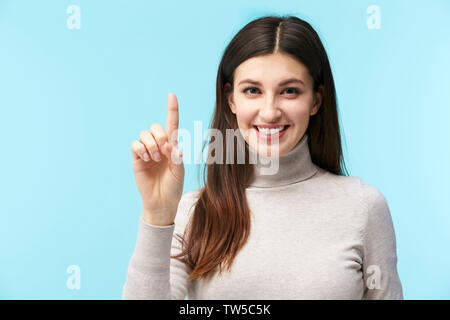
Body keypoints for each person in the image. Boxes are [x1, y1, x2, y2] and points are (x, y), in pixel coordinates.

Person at [122, 15, 404, 299]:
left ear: (316, 100)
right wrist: (156, 216)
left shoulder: (363, 207)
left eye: (289, 91)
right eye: (252, 91)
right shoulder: (194, 213)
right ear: (232, 99)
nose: (269, 112)